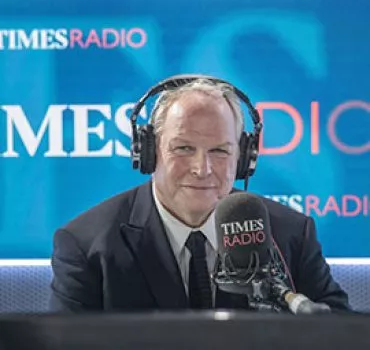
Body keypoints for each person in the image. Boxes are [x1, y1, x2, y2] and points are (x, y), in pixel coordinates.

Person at [49, 76, 350, 312]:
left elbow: (343, 338)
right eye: (183, 148)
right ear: (149, 152)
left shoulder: (290, 235)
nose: (202, 169)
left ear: (244, 159)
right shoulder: (87, 246)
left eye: (219, 151)